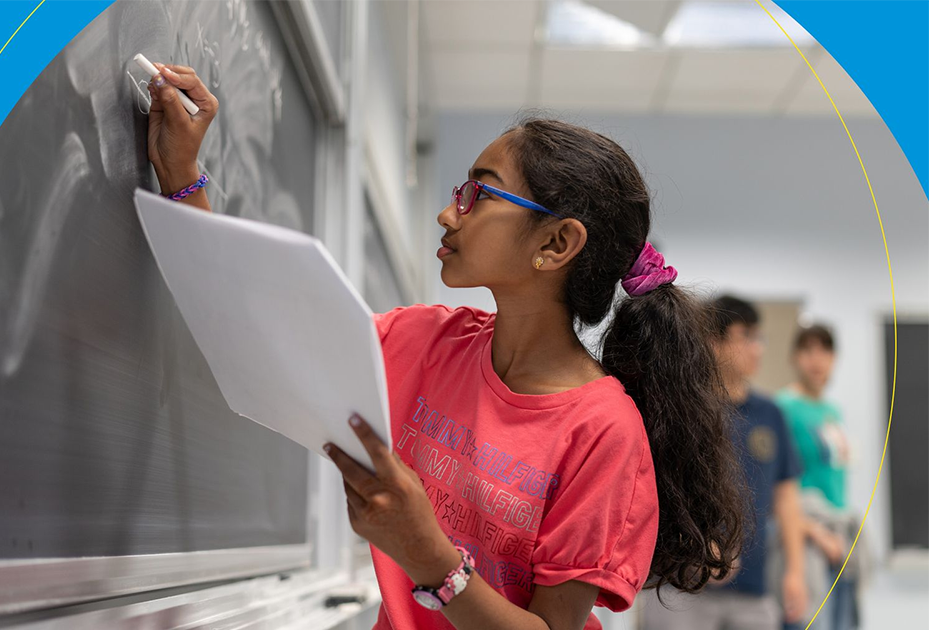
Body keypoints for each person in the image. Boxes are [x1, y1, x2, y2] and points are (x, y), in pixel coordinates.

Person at [144, 64, 748, 630]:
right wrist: (181, 176)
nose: (447, 213)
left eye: (479, 195)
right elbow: (259, 343)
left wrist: (430, 555)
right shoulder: (425, 340)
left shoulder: (604, 431)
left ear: (557, 243)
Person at [641, 295, 809, 630]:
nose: (757, 348)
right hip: (679, 591)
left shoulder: (770, 413)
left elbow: (787, 498)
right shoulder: (680, 411)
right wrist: (700, 545)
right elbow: (656, 492)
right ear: (714, 342)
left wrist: (795, 571)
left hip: (753, 592)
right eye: (746, 336)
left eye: (759, 337)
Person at [775, 324, 860, 630]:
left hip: (838, 539)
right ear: (794, 357)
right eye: (808, 350)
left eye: (825, 350)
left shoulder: (832, 411)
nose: (817, 359)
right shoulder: (783, 408)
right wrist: (815, 532)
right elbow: (776, 486)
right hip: (807, 540)